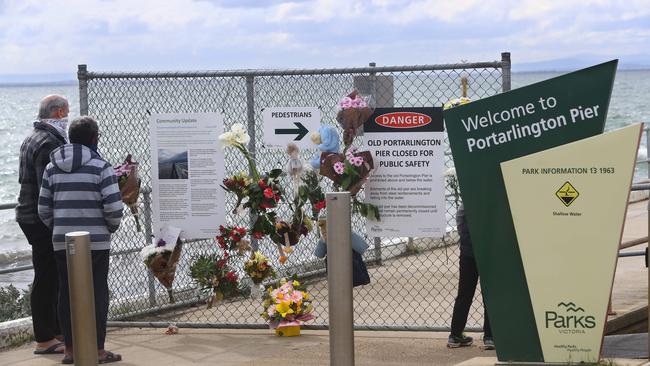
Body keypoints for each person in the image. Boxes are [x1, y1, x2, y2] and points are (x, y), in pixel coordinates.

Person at [38, 116, 124, 364]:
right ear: (94, 138)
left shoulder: (52, 167)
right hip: (96, 242)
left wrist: (60, 228)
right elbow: (114, 208)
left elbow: (43, 208)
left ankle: (70, 350)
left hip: (62, 241)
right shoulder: (101, 166)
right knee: (97, 294)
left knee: (66, 293)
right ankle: (97, 350)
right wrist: (108, 229)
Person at [16, 95, 69, 355]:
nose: (68, 118)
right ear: (59, 113)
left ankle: (56, 330)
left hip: (27, 214)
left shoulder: (32, 137)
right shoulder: (49, 141)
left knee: (52, 275)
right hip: (40, 218)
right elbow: (46, 186)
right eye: (66, 112)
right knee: (48, 277)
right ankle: (45, 338)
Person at [448, 203, 494, 350]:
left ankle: (455, 335)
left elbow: (460, 225)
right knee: (490, 295)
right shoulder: (490, 204)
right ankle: (490, 336)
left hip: (468, 254)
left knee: (464, 294)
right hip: (488, 252)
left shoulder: (465, 205)